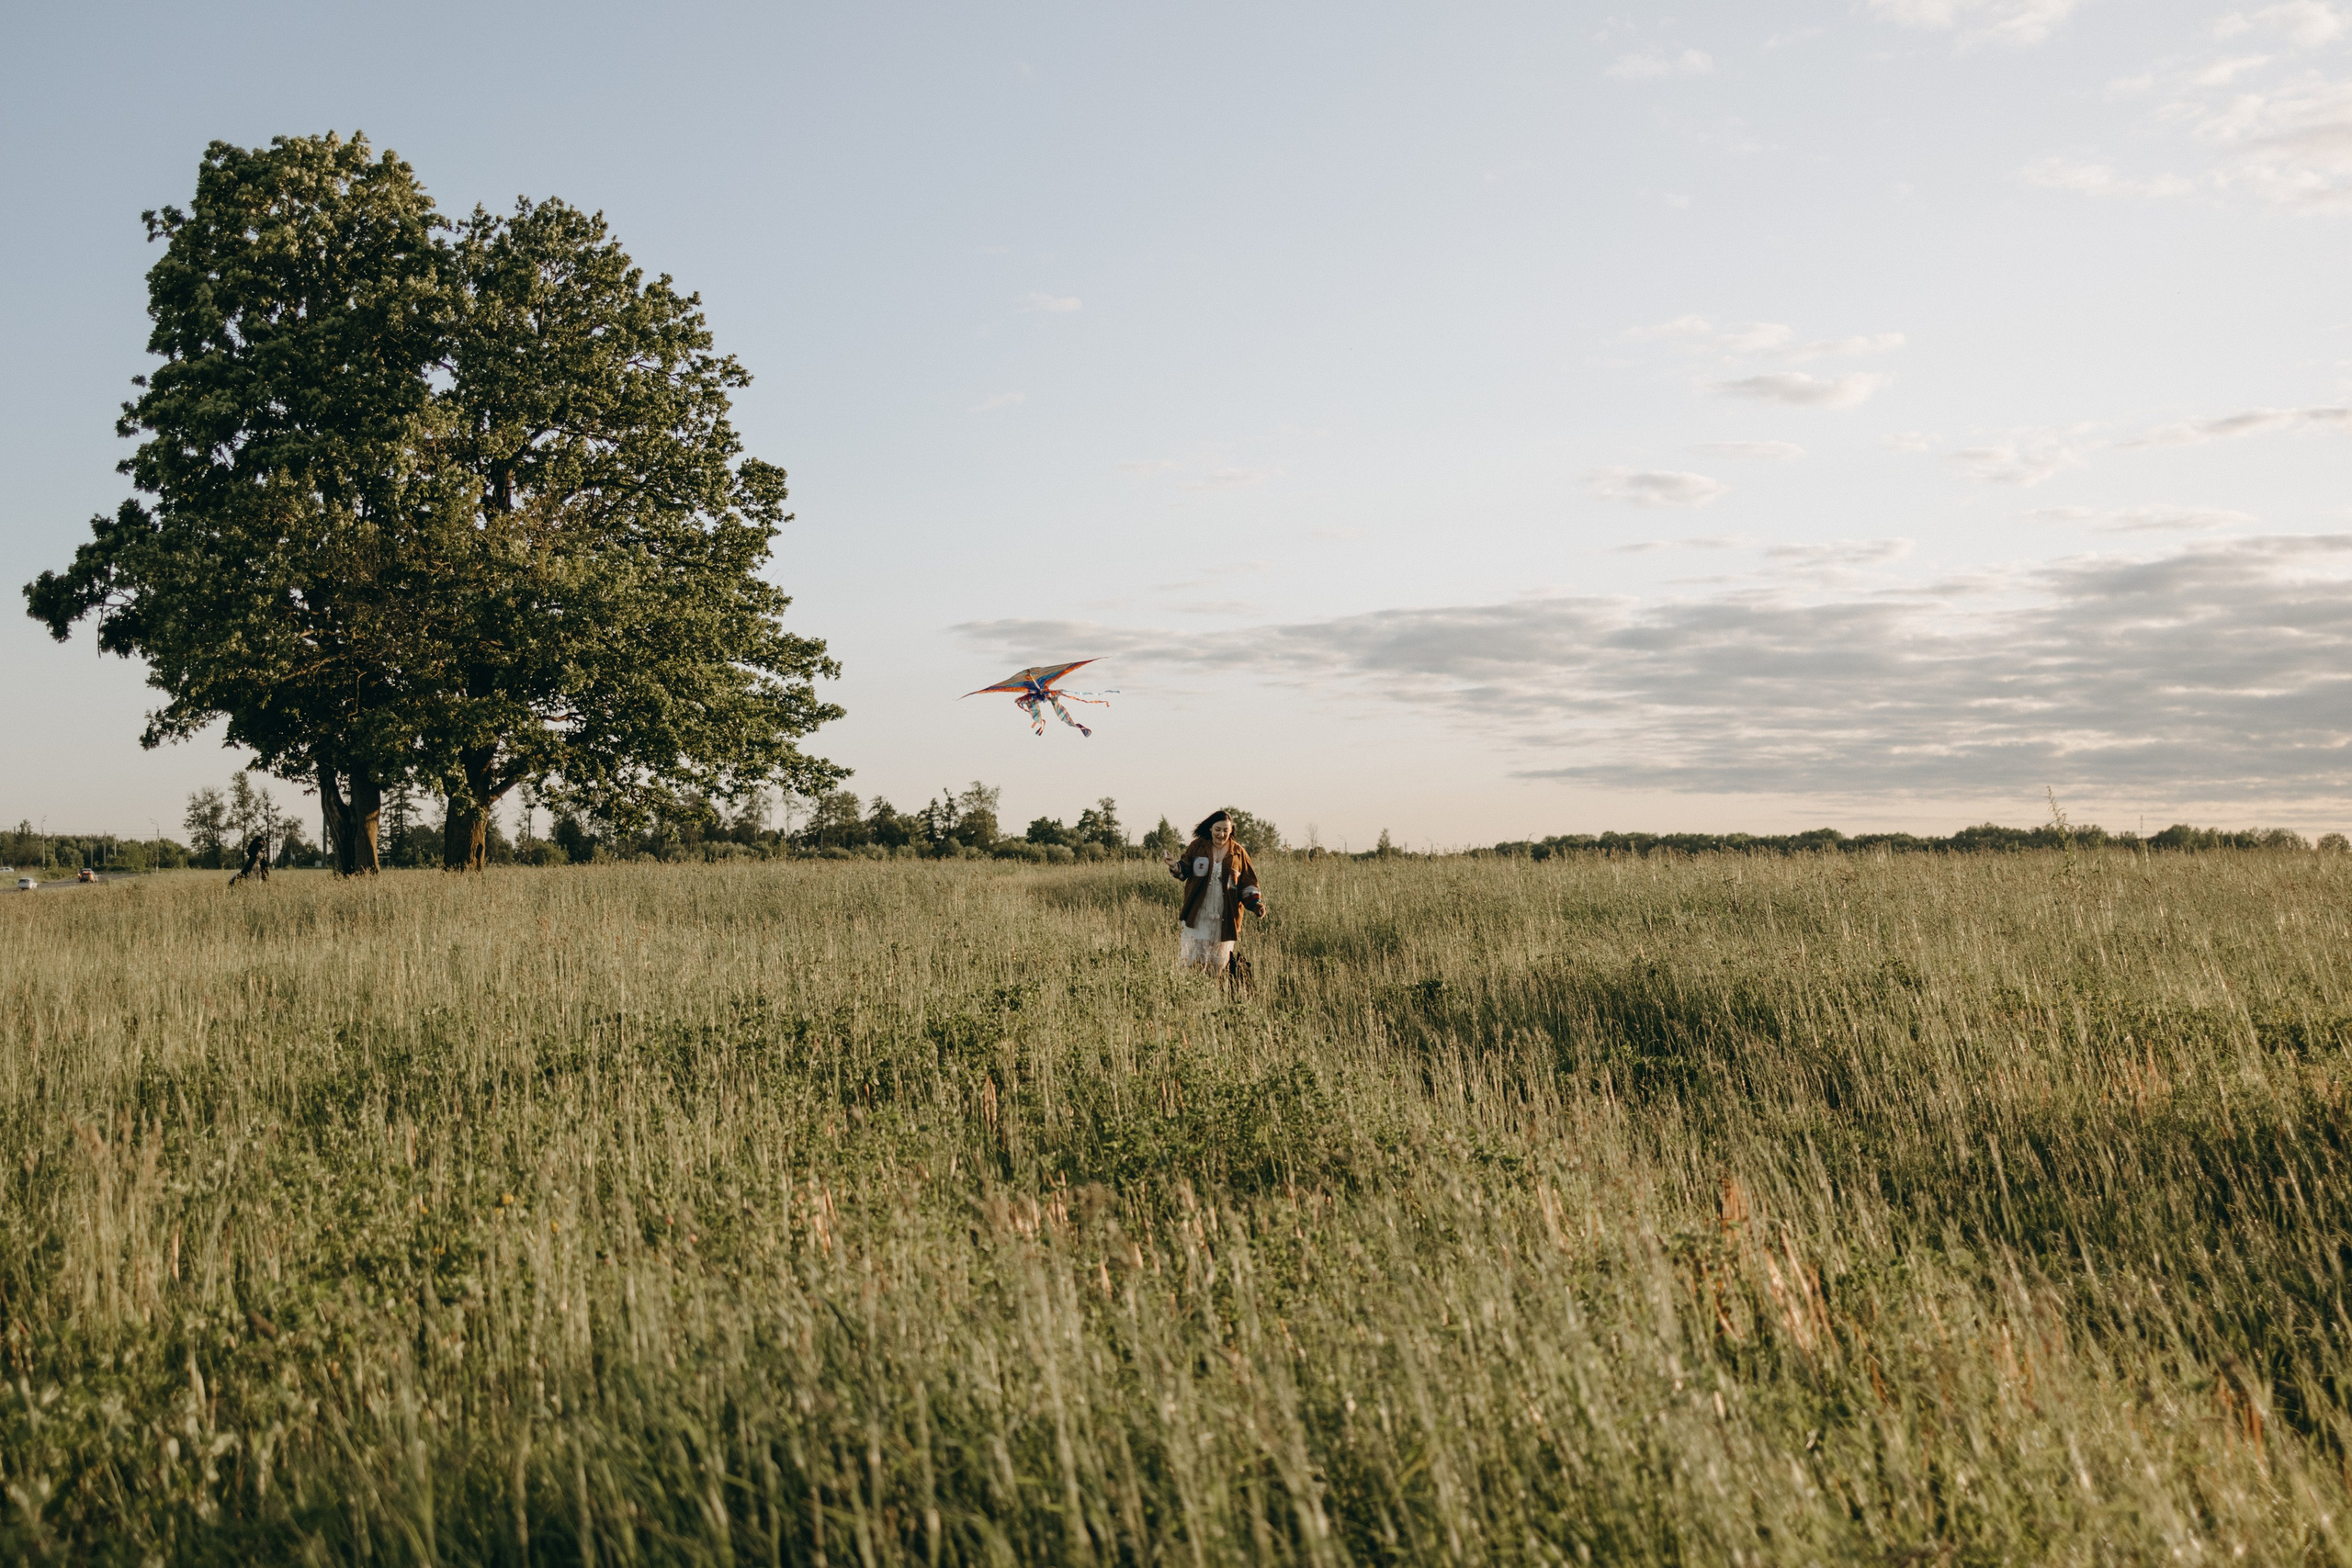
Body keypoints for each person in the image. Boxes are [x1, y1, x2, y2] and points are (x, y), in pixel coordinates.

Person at [1165, 809, 1267, 976]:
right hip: (1198, 914)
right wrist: (1173, 866)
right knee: (1192, 962)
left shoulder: (1238, 853)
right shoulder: (1198, 846)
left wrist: (1256, 905)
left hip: (1224, 916)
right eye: (1218, 829)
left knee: (1218, 965)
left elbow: (1248, 884)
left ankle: (1214, 992)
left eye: (1226, 830)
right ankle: (1192, 991)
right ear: (1210, 829)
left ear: (1231, 830)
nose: (1221, 834)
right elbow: (1184, 869)